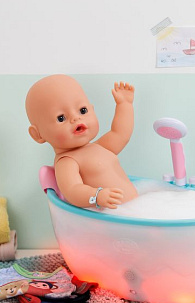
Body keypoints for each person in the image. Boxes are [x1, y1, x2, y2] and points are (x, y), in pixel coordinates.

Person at [25, 74, 138, 209]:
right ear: (37, 134)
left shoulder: (100, 147)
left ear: (92, 109)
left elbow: (120, 134)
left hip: (136, 210)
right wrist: (97, 196)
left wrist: (124, 105)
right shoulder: (67, 161)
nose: (76, 118)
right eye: (61, 118)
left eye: (82, 110)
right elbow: (73, 190)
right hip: (108, 218)